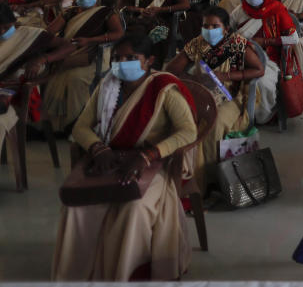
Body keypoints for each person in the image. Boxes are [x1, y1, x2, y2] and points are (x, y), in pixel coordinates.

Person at [52, 30, 197, 281]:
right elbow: (81, 126)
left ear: (149, 60)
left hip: (151, 165)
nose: (121, 64)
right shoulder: (108, 86)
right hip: (108, 158)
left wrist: (148, 155)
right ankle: (79, 275)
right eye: (117, 58)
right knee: (75, 207)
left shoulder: (163, 89)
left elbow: (188, 132)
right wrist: (99, 149)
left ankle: (125, 276)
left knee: (134, 209)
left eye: (131, 57)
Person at [165, 6, 264, 192]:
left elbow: (259, 69)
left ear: (226, 28)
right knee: (182, 119)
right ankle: (185, 179)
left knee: (214, 124)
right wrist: (193, 78)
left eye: (215, 26)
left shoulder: (237, 43)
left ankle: (212, 181)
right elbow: (172, 69)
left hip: (230, 96)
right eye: (205, 26)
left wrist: (226, 77)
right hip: (202, 94)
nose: (209, 31)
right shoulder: (197, 43)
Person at [43, 0, 124, 131]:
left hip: (93, 56)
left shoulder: (105, 13)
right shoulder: (70, 12)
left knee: (75, 78)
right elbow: (48, 32)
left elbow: (118, 34)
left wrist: (90, 40)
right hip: (66, 53)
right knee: (49, 74)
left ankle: (73, 123)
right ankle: (54, 124)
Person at [229, 0, 303, 122]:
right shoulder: (240, 10)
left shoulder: (277, 10)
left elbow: (293, 38)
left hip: (269, 59)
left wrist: (266, 41)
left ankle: (260, 116)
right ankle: (233, 114)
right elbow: (227, 32)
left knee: (260, 82)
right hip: (239, 56)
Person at [0, 3, 76, 148]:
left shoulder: (30, 34)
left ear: (15, 22)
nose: (2, 32)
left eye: (6, 27)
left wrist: (42, 59)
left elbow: (69, 46)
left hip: (13, 87)